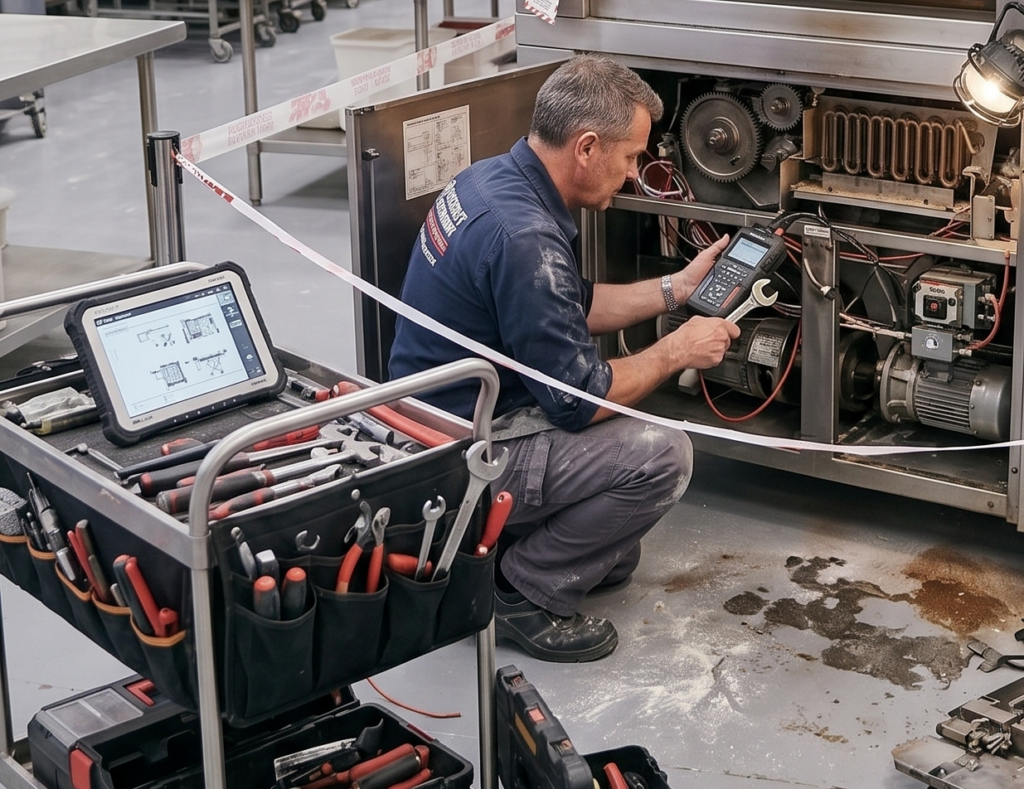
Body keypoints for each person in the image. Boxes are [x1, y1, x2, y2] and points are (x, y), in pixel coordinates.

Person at [389, 54, 741, 663]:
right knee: (661, 458)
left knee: (615, 551)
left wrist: (676, 289)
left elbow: (569, 302)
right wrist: (676, 350)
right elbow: (579, 399)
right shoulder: (525, 237)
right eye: (629, 157)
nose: (633, 174)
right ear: (586, 147)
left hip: (433, 424)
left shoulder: (493, 181)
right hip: (459, 454)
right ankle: (520, 593)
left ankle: (509, 544)